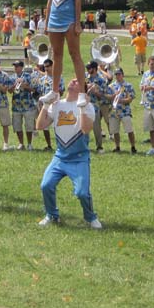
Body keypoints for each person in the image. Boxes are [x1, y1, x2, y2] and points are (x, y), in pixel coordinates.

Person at [36, 78, 102, 229]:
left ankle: (90, 217)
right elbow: (40, 125)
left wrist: (82, 107)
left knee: (82, 193)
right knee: (46, 185)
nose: (73, 81)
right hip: (60, 156)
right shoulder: (58, 105)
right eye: (72, 80)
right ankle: (52, 215)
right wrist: (46, 105)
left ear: (82, 89)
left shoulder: (89, 107)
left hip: (79, 158)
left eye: (77, 81)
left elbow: (86, 129)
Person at [41, 0, 87, 107]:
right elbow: (49, 0)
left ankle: (82, 92)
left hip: (69, 19)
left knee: (75, 54)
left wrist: (77, 23)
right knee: (56, 55)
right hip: (54, 19)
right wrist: (46, 23)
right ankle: (54, 91)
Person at [106, 68, 136, 153]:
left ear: (123, 74)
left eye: (119, 74)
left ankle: (133, 146)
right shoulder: (111, 86)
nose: (117, 76)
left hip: (125, 111)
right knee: (115, 131)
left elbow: (130, 98)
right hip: (113, 112)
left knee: (129, 130)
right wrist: (112, 97)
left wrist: (121, 100)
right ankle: (117, 146)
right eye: (116, 74)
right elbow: (107, 97)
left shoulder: (128, 85)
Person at [10, 61, 37, 150]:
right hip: (16, 105)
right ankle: (21, 144)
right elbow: (9, 91)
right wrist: (15, 85)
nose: (15, 68)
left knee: (29, 126)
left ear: (22, 67)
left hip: (28, 105)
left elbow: (33, 89)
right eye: (14, 66)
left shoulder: (28, 76)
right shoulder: (12, 77)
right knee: (17, 126)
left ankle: (29, 144)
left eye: (17, 66)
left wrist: (24, 85)